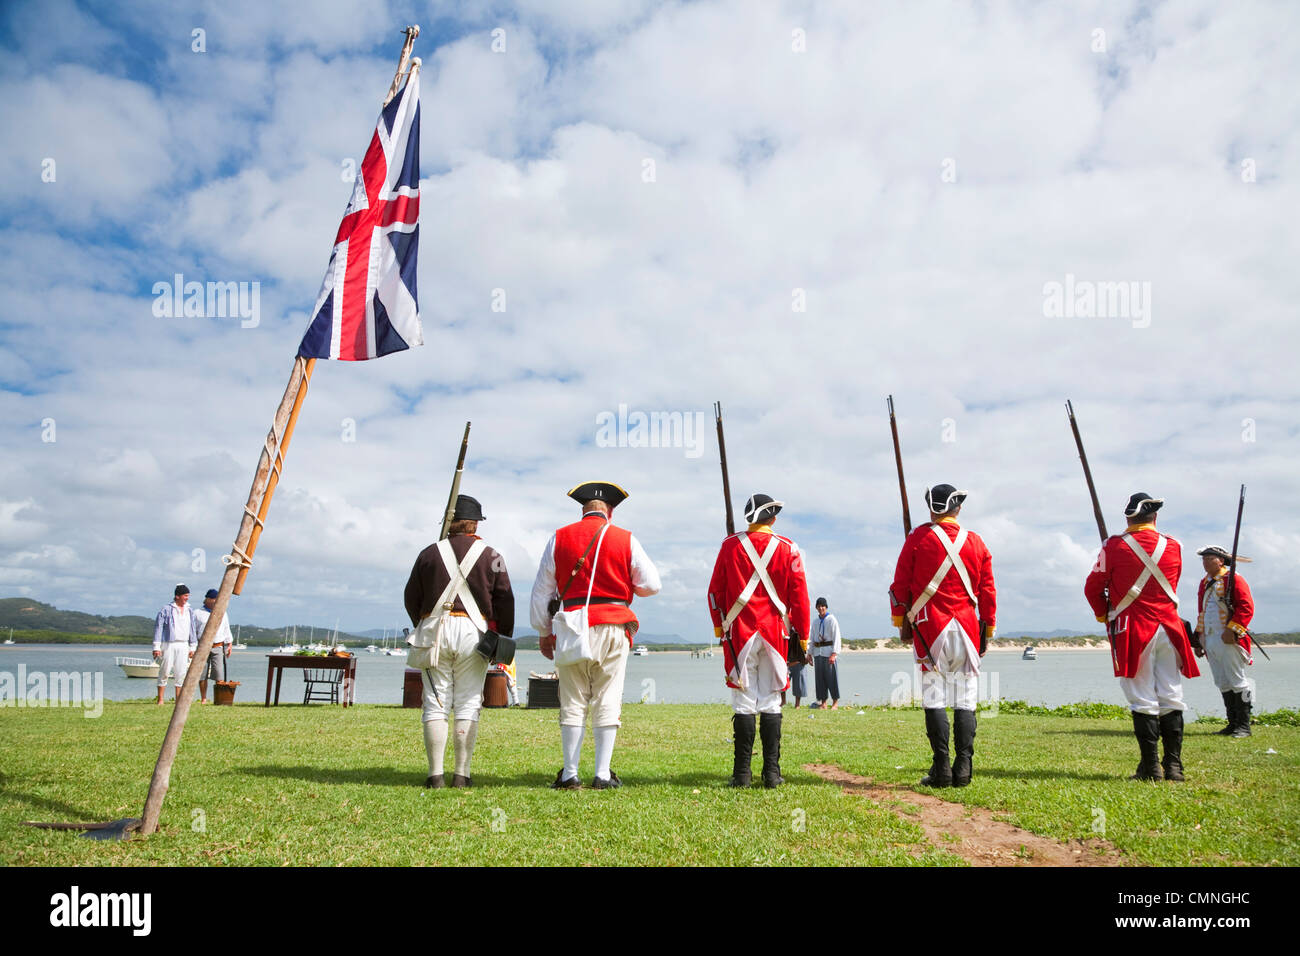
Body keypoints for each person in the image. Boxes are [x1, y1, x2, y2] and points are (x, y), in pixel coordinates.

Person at [531, 481, 660, 790]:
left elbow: (541, 592)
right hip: (614, 625)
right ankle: (602, 774)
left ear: (583, 510)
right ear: (610, 512)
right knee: (608, 697)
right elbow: (651, 585)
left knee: (572, 699)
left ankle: (570, 774)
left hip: (571, 625)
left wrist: (543, 631)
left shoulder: (558, 538)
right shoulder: (626, 538)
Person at [1085, 493, 1199, 781]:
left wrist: (1104, 613)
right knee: (1172, 695)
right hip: (1170, 629)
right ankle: (1173, 766)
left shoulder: (1113, 546)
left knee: (1142, 699)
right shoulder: (1174, 546)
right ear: (1155, 517)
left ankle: (1151, 768)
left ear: (1128, 517)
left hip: (1134, 628)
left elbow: (1092, 587)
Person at [404, 494, 515, 788]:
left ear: (449, 522)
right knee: (468, 703)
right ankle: (462, 775)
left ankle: (435, 775)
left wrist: (424, 622)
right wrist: (502, 638)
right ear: (475, 523)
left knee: (435, 702)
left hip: (434, 630)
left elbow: (410, 597)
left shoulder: (428, 553)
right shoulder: (493, 556)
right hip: (473, 632)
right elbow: (504, 600)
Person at [889, 485, 996, 788]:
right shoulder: (976, 542)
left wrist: (901, 621)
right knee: (966, 698)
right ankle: (963, 768)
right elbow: (987, 591)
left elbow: (900, 585)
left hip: (929, 626)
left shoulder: (917, 539)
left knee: (934, 697)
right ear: (957, 508)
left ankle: (941, 768)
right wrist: (987, 628)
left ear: (932, 509)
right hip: (966, 627)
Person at [708, 493, 810, 788]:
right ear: (773, 519)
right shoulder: (789, 548)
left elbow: (715, 591)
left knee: (743, 701)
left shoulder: (729, 546)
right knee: (771, 701)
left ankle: (741, 775)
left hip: (739, 633)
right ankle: (772, 774)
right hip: (776, 633)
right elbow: (799, 597)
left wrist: (720, 627)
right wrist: (801, 636)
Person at [1194, 545, 1256, 738]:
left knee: (1238, 681)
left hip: (1228, 637)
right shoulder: (1205, 583)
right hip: (1210, 638)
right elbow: (1202, 611)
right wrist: (1198, 639)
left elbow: (1246, 607)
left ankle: (1244, 725)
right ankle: (1232, 724)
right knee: (1222, 681)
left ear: (1221, 560)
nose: (1205, 562)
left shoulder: (1234, 579)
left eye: (1209, 558)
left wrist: (1232, 630)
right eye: (1204, 559)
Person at [153, 583, 198, 705]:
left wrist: (193, 647)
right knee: (165, 670)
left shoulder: (190, 610)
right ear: (177, 596)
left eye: (188, 595)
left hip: (183, 644)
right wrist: (156, 647)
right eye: (185, 595)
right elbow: (159, 628)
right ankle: (160, 699)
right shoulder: (166, 609)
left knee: (181, 672)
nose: (187, 598)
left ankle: (178, 699)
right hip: (168, 643)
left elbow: (193, 629)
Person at [192, 588, 234, 704]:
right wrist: (192, 647)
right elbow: (193, 631)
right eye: (214, 599)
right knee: (202, 674)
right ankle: (203, 698)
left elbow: (226, 629)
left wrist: (229, 644)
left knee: (219, 673)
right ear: (208, 600)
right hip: (202, 646)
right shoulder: (197, 613)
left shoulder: (223, 612)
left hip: (218, 645)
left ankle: (219, 698)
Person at [810, 597, 841, 709]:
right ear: (816, 608)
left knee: (831, 678)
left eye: (823, 606)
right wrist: (809, 653)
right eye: (819, 606)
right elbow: (812, 638)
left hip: (828, 652)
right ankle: (823, 703)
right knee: (820, 679)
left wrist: (834, 653)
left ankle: (835, 702)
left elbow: (836, 636)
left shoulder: (831, 620)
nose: (821, 608)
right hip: (818, 653)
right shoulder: (815, 622)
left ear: (826, 607)